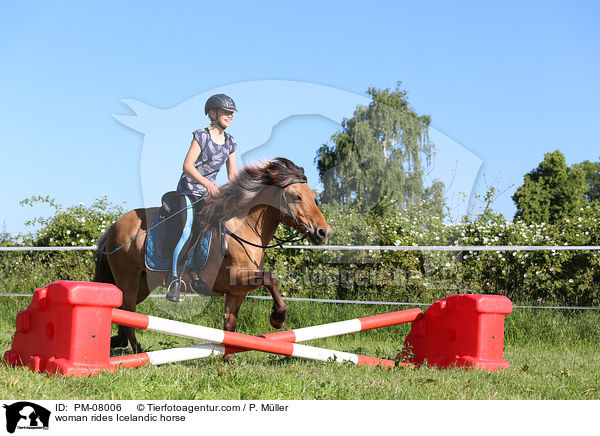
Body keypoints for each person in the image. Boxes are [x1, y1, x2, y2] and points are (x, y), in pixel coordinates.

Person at [166, 94, 238, 302]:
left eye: (231, 113)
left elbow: (233, 176)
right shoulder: (201, 136)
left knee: (215, 232)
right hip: (188, 192)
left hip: (209, 197)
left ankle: (200, 276)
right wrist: (208, 184)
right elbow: (187, 166)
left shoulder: (231, 142)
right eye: (226, 112)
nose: (230, 116)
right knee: (187, 230)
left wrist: (239, 194)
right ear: (212, 114)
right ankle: (175, 280)